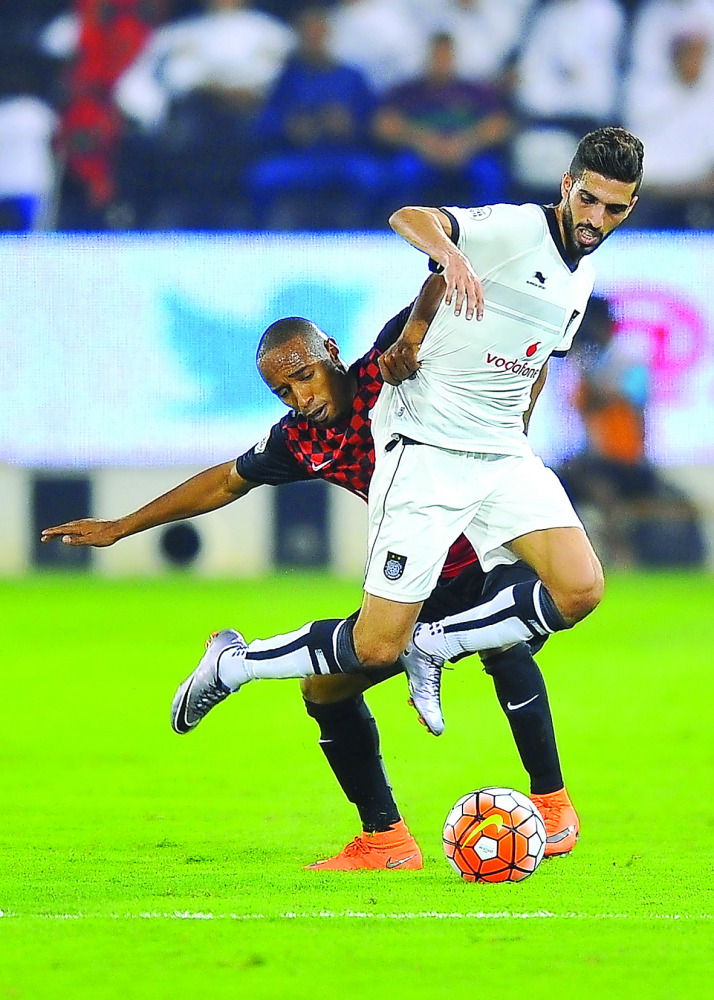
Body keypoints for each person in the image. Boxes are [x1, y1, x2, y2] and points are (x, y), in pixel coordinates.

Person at [163, 127, 643, 843]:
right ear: (566, 185)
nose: (595, 218)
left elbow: (539, 356)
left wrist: (519, 421)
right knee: (376, 646)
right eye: (587, 198)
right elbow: (410, 219)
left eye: (614, 208)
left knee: (580, 589)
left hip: (500, 453)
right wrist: (450, 254)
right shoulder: (515, 229)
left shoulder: (582, 275)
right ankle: (233, 664)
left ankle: (441, 648)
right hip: (426, 454)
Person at [43, 278, 576, 867]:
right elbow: (225, 480)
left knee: (507, 637)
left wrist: (514, 414)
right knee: (325, 688)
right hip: (418, 585)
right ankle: (385, 839)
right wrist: (122, 526)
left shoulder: (394, 368)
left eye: (304, 375)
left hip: (492, 552)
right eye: (281, 390)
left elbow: (481, 308)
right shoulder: (302, 439)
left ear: (333, 352)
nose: (297, 395)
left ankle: (552, 804)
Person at [374, 32, 512, 211]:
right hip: (419, 155)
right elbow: (383, 126)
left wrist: (466, 143)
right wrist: (422, 142)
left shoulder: (474, 91)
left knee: (490, 173)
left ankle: (487, 231)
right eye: (437, 56)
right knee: (403, 171)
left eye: (446, 56)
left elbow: (500, 125)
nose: (441, 61)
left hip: (468, 155)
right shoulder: (407, 92)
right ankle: (406, 230)